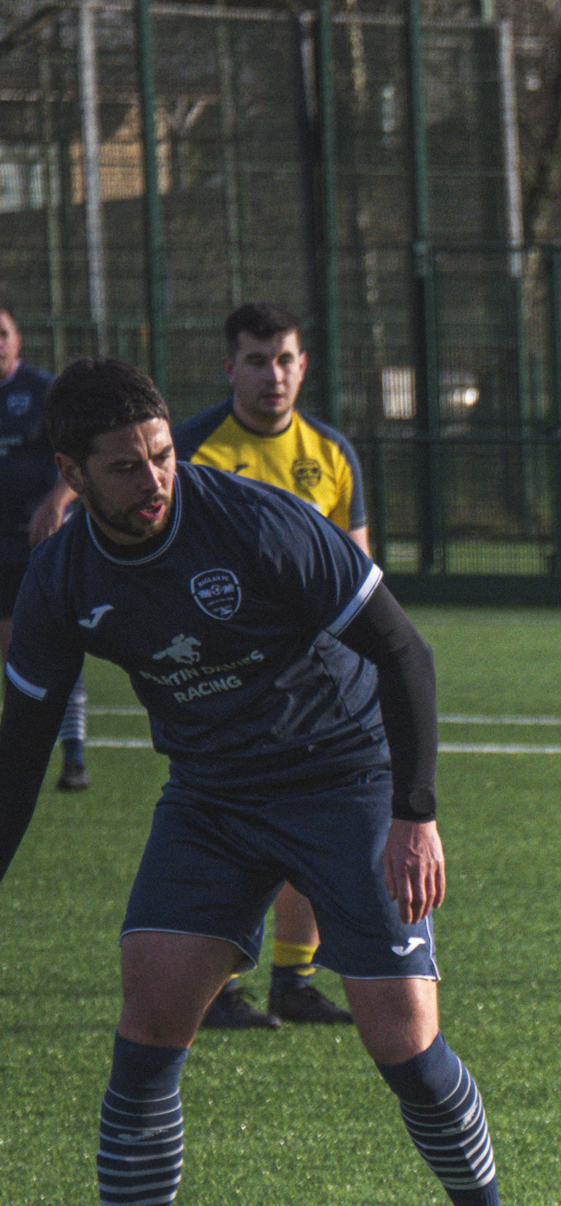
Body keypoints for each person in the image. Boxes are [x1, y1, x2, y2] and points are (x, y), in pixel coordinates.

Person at [0, 358, 561, 1206]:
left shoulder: (257, 524)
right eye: (126, 468)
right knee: (149, 1020)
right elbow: (23, 741)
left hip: (343, 776)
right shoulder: (62, 576)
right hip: (212, 797)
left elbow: (404, 653)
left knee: (403, 1037)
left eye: (164, 454)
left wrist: (415, 814)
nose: (155, 479)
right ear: (71, 474)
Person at [175, 301, 374, 1028]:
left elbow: (362, 572)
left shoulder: (331, 453)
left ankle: (294, 979)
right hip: (224, 686)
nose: (273, 374)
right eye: (257, 359)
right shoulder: (192, 451)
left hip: (319, 686)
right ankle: (217, 987)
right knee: (228, 833)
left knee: (316, 827)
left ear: (304, 365)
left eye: (285, 358)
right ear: (230, 366)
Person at [0, 303, 85, 789]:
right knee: (18, 660)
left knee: (60, 645)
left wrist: (55, 500)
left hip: (44, 542)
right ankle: (26, 761)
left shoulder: (43, 391)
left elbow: (79, 456)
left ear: (18, 339)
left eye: (3, 333)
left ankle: (74, 757)